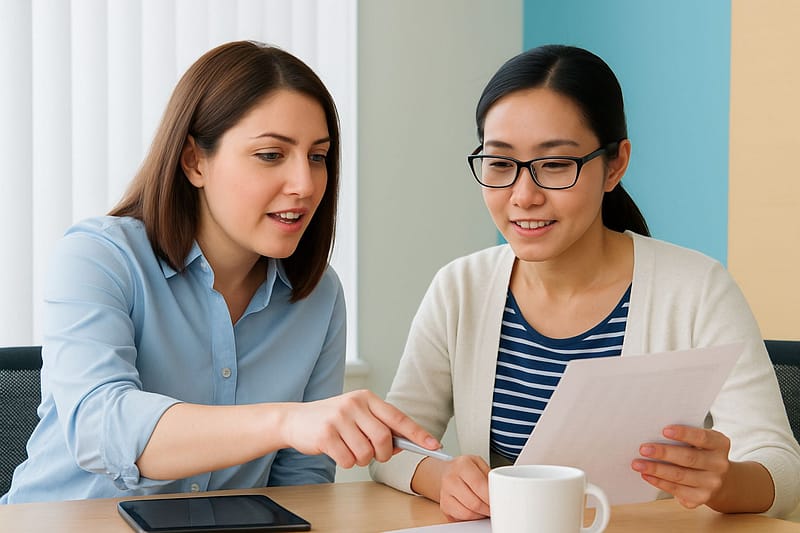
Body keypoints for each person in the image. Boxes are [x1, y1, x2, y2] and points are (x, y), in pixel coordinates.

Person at [370, 44, 800, 520]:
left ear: (614, 165)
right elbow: (392, 445)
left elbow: (780, 467)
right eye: (500, 163)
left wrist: (726, 481)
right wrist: (440, 477)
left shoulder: (698, 290)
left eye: (555, 165)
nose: (523, 195)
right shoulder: (460, 288)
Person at [1, 40, 439, 504]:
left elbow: (302, 484)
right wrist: (284, 421)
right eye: (271, 155)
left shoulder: (319, 294)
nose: (305, 184)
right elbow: (100, 427)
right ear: (194, 161)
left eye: (317, 156)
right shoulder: (99, 256)